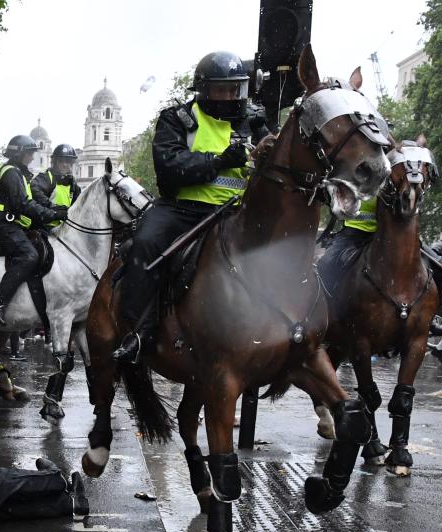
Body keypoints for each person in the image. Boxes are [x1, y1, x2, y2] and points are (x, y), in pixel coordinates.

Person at [112, 51, 266, 363]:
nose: (227, 97)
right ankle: (140, 331)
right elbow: (169, 164)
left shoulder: (253, 122)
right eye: (220, 90)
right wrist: (220, 161)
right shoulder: (177, 119)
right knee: (144, 243)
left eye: (233, 89)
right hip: (183, 211)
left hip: (238, 214)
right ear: (204, 90)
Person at [0, 135, 68, 326]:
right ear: (18, 153)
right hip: (2, 225)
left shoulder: (20, 174)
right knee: (29, 255)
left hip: (14, 225)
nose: (31, 157)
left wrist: (54, 210)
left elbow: (34, 202)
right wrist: (50, 215)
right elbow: (23, 204)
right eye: (29, 153)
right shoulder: (11, 173)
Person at [31, 144, 81, 211]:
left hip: (66, 221)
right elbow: (34, 191)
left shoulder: (73, 184)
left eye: (68, 161)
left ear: (72, 164)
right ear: (55, 163)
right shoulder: (46, 177)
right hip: (46, 220)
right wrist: (52, 207)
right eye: (61, 161)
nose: (64, 164)